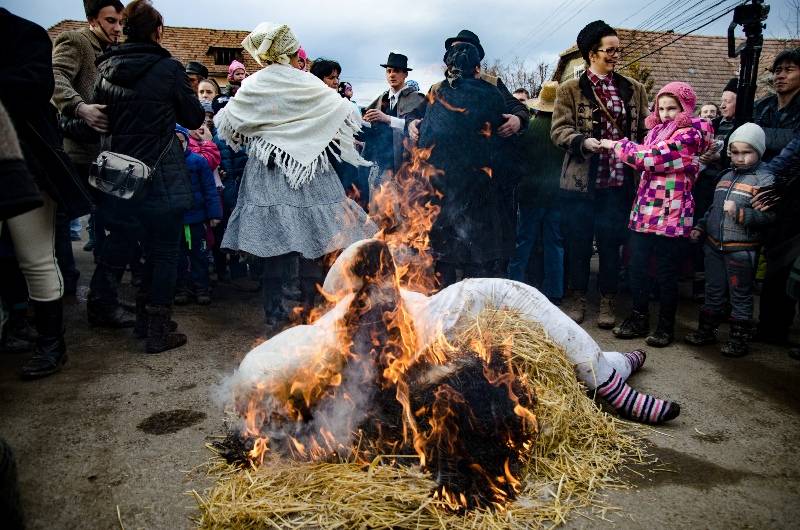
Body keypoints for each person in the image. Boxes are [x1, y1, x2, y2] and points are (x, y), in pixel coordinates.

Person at [233, 238, 681, 426]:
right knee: (510, 293)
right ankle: (610, 379)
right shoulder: (334, 343)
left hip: (431, 320)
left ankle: (614, 366)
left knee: (525, 307)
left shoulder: (343, 318)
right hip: (437, 327)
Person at [215, 22, 376, 327]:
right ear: (290, 50)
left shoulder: (255, 84)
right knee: (315, 242)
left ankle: (274, 313)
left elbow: (231, 122)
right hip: (309, 171)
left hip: (269, 170)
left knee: (273, 243)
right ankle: (311, 309)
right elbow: (344, 110)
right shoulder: (306, 83)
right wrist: (309, 134)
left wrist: (265, 133)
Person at [93, 0, 205, 353]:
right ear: (158, 32)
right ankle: (157, 328)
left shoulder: (106, 68)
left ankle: (133, 315)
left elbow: (99, 117)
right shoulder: (168, 68)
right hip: (160, 173)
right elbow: (192, 117)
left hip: (121, 175)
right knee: (165, 252)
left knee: (132, 247)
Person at [0, 8, 94, 378]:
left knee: (36, 258)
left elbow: (37, 88)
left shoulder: (24, 34)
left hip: (25, 163)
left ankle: (51, 345)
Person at [550, 20, 649, 329]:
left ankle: (608, 300)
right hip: (581, 184)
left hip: (619, 182)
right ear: (592, 53)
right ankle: (576, 297)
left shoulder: (634, 89)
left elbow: (648, 127)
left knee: (611, 244)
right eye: (610, 50)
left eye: (618, 51)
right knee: (578, 243)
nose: (616, 56)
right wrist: (582, 142)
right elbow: (559, 130)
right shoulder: (569, 89)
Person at [603, 82, 714, 347]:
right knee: (637, 267)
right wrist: (632, 151)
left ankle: (665, 327)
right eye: (661, 108)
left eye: (672, 108)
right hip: (645, 210)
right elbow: (643, 157)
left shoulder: (690, 135)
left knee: (666, 273)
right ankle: (639, 318)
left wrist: (614, 144)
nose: (665, 113)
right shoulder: (655, 132)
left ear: (686, 108)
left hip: (673, 215)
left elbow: (650, 159)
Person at [417, 42, 506, 287]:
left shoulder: (438, 94)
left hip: (442, 187)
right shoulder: (490, 94)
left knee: (444, 254)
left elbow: (424, 140)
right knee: (476, 253)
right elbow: (501, 134)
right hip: (478, 187)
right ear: (477, 68)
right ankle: (472, 308)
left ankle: (445, 306)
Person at [685, 123, 775, 356]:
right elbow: (713, 209)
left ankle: (739, 339)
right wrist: (701, 227)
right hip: (714, 246)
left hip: (741, 250)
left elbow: (769, 216)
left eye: (747, 152)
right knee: (713, 289)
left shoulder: (764, 179)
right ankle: (706, 331)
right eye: (735, 152)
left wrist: (741, 213)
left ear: (759, 151)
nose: (740, 158)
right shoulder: (725, 176)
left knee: (740, 295)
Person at [753, 48, 800, 348]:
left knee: (784, 263)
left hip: (792, 192)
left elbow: (793, 150)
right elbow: (744, 138)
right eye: (778, 70)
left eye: (789, 69)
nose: (781, 75)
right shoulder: (765, 106)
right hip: (759, 187)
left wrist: (766, 173)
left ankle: (776, 328)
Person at [507, 81, 564, 304]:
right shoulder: (563, 130)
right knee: (555, 243)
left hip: (529, 193)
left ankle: (514, 286)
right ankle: (555, 292)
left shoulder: (527, 128)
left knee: (523, 242)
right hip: (557, 194)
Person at [693, 78, 738, 300]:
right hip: (704, 186)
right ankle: (700, 284)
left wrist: (718, 158)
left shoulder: (740, 126)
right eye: (722, 101)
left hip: (725, 186)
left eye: (728, 101)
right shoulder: (715, 125)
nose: (722, 106)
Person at [361, 52, 425, 208]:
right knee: (380, 215)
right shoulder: (380, 99)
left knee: (407, 218)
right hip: (381, 168)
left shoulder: (418, 99)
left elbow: (420, 130)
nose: (392, 75)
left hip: (407, 168)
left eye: (396, 71)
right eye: (389, 71)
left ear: (405, 74)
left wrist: (387, 119)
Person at [173, 125, 222, 305]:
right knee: (177, 257)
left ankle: (201, 287)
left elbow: (210, 189)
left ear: (186, 140)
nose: (178, 145)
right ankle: (181, 288)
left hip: (196, 219)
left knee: (199, 255)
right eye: (174, 141)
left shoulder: (198, 161)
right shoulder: (168, 163)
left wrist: (214, 214)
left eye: (181, 141)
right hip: (176, 220)